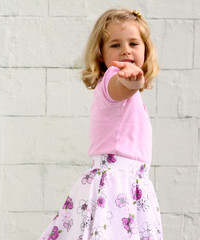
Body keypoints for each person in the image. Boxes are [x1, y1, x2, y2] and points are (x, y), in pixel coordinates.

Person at [39, 8, 163, 240]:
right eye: (115, 45)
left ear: (146, 49)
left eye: (134, 44)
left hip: (131, 186)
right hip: (117, 186)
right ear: (101, 55)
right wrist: (131, 81)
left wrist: (135, 84)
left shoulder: (132, 94)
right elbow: (120, 87)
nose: (126, 50)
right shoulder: (112, 79)